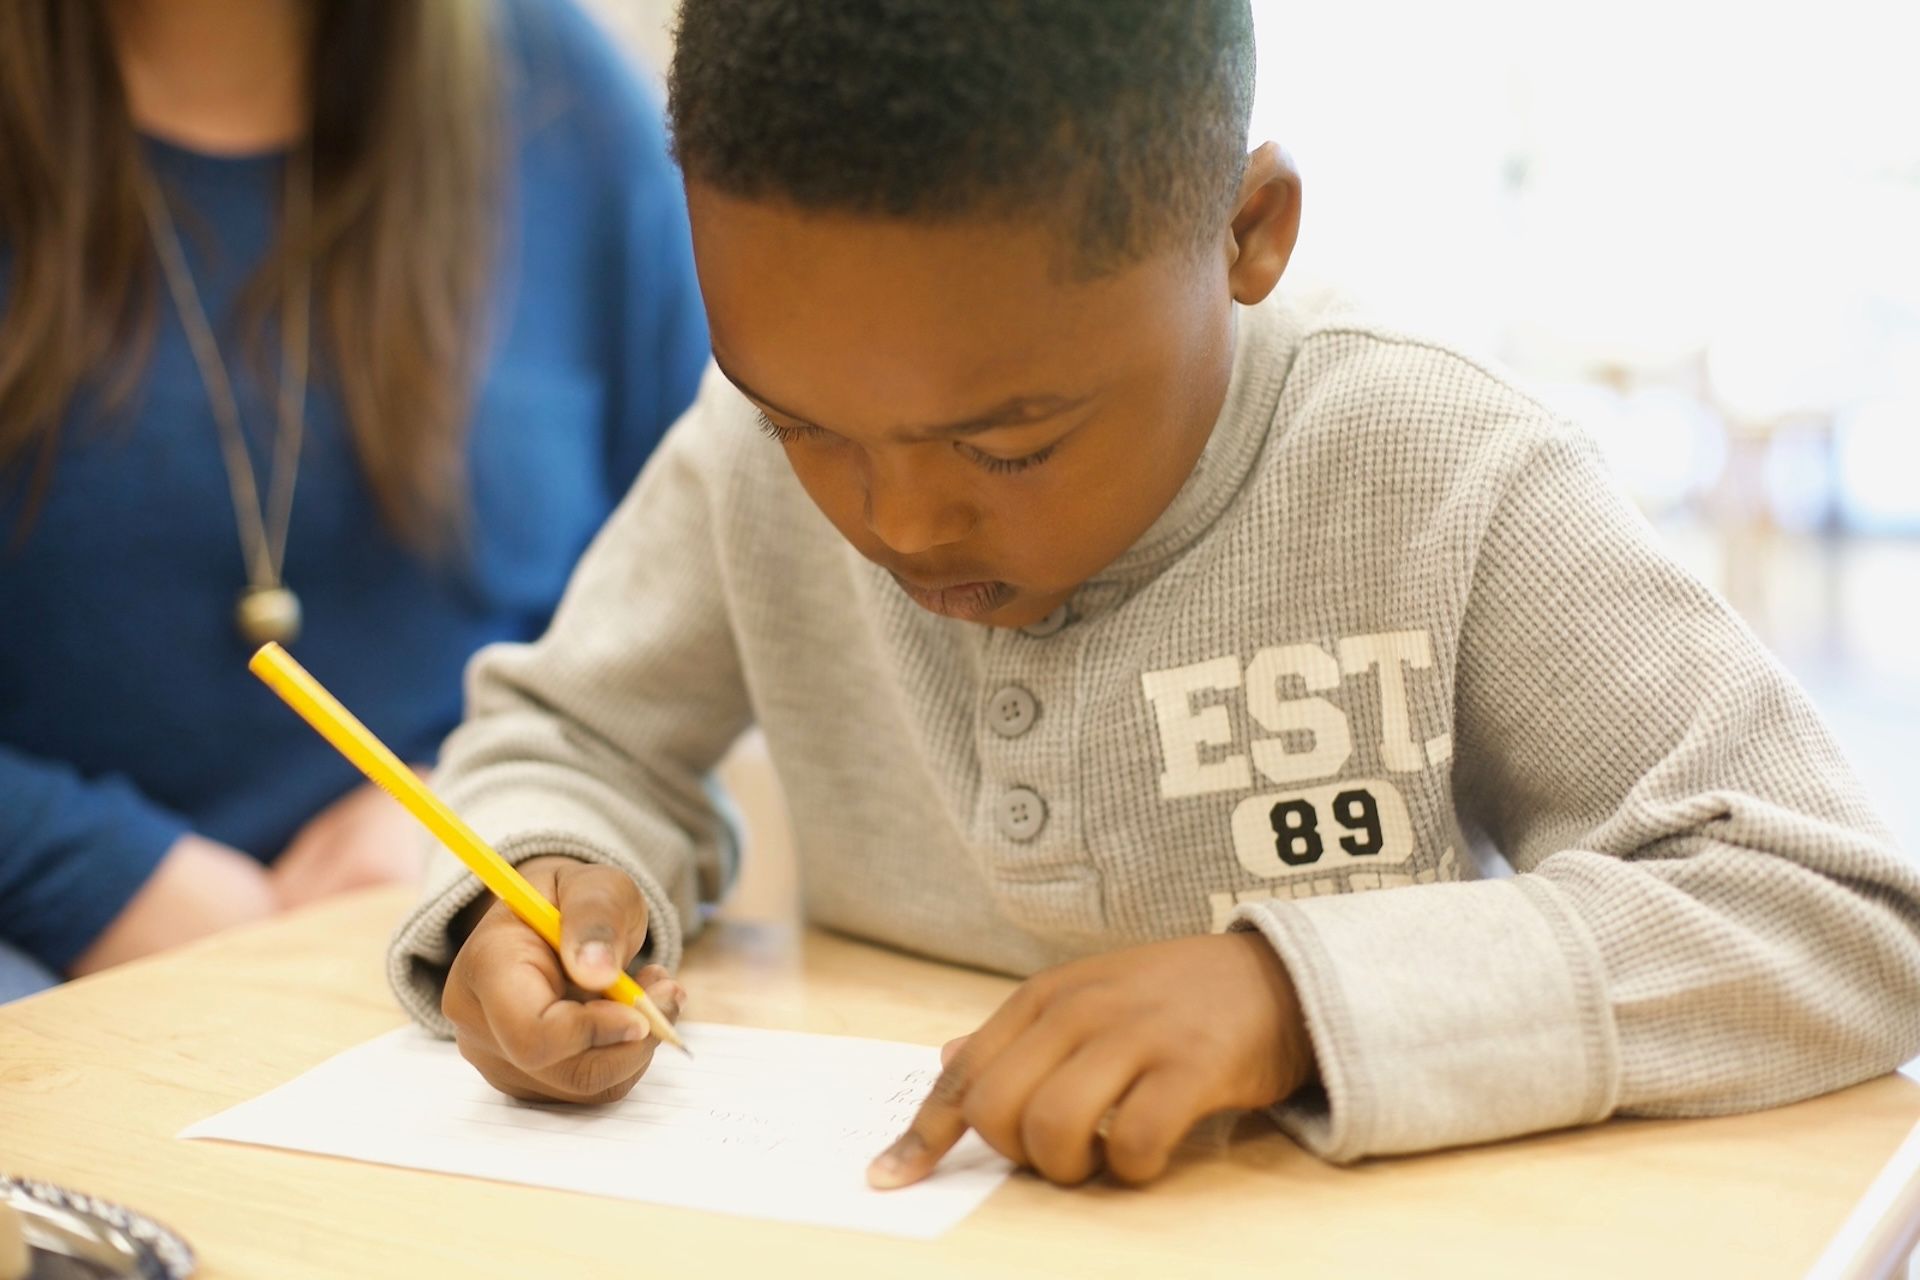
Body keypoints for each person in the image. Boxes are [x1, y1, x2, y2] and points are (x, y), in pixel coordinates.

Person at [388, 0, 1920, 1186]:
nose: (895, 519)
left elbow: (1833, 913)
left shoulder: (1433, 467)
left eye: (1010, 441)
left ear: (1247, 237)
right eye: (805, 425)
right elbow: (574, 736)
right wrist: (537, 885)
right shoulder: (748, 448)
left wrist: (1294, 1001)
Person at [0, 0, 707, 999]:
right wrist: (83, 871)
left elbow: (691, 612)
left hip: (474, 916)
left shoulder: (561, 97)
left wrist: (478, 800)